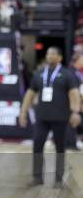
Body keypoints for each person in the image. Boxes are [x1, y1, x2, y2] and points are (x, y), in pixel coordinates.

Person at [19, 47, 81, 186]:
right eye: (48, 53)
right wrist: (23, 112)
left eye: (53, 53)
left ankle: (59, 179)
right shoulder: (39, 74)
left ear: (60, 58)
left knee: (60, 148)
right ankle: (37, 177)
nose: (49, 56)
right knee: (37, 145)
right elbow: (30, 94)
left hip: (61, 117)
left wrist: (75, 112)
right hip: (42, 117)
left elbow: (74, 94)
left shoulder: (66, 74)